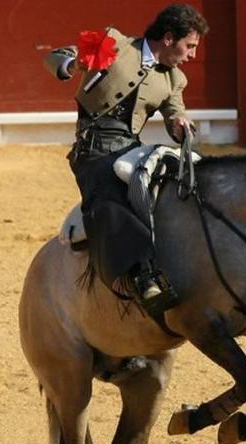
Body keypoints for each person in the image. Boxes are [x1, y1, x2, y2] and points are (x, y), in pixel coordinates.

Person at [44, 4, 208, 316]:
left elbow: (176, 112)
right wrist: (69, 64)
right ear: (169, 38)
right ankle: (142, 275)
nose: (192, 55)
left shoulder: (175, 80)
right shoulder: (115, 43)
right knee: (110, 191)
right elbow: (58, 54)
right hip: (93, 149)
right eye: (190, 46)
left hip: (129, 146)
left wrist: (180, 125)